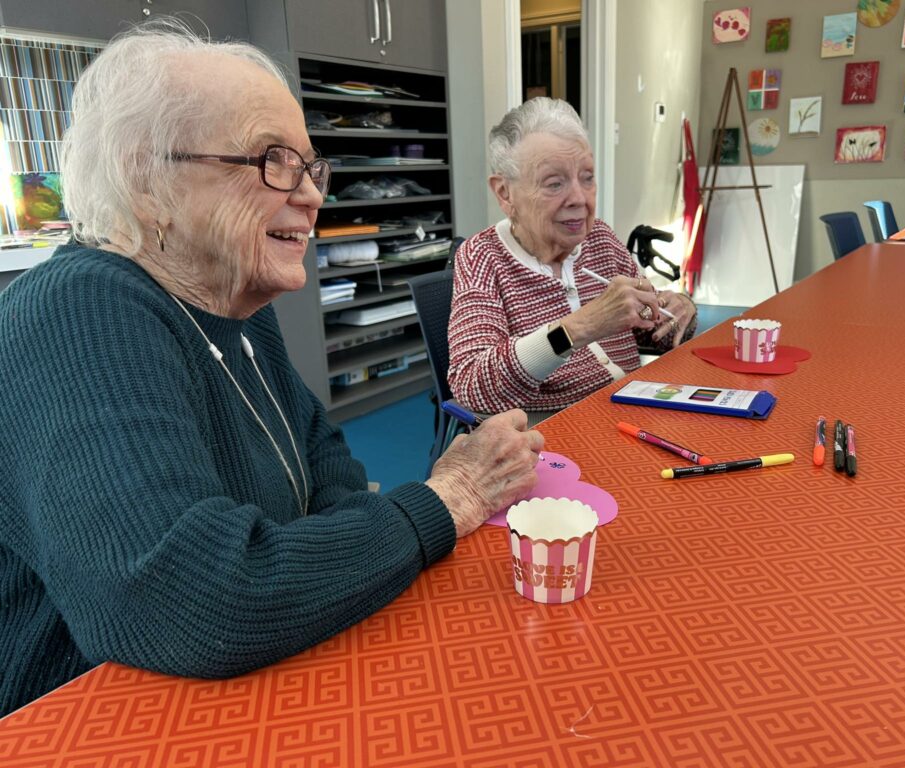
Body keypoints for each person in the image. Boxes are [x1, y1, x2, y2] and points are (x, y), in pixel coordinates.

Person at [0, 22, 543, 718]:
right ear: (147, 183)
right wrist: (444, 501)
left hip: (248, 682)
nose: (313, 196)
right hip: (84, 719)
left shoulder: (236, 304)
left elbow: (332, 475)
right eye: (271, 161)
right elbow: (186, 601)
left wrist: (331, 553)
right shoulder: (79, 312)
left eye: (312, 167)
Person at [448, 98, 698, 423]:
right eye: (555, 183)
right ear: (505, 193)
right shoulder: (483, 257)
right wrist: (583, 326)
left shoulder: (600, 239)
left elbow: (653, 335)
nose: (579, 198)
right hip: (551, 433)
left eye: (587, 177)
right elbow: (473, 385)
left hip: (629, 411)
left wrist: (678, 309)